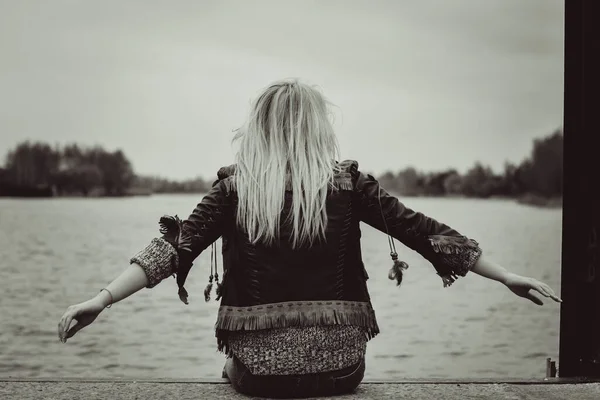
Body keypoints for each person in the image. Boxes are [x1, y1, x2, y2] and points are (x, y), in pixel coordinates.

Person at [58, 79, 562, 398]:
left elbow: (170, 248)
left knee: (230, 374)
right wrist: (506, 276)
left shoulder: (233, 191)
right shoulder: (350, 185)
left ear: (259, 131)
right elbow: (423, 231)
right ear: (317, 130)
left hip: (257, 381)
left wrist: (101, 299)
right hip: (342, 375)